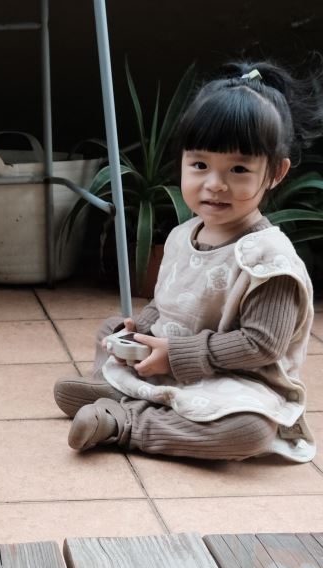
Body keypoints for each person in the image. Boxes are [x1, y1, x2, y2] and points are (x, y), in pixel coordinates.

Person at [54, 59, 323, 462]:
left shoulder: (269, 259)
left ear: (275, 173)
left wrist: (178, 356)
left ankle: (126, 422)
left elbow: (261, 345)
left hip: (240, 383)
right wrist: (139, 329)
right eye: (199, 165)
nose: (214, 183)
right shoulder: (184, 235)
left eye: (238, 169)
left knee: (248, 432)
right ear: (181, 160)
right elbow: (169, 303)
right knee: (112, 329)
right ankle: (133, 393)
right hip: (177, 363)